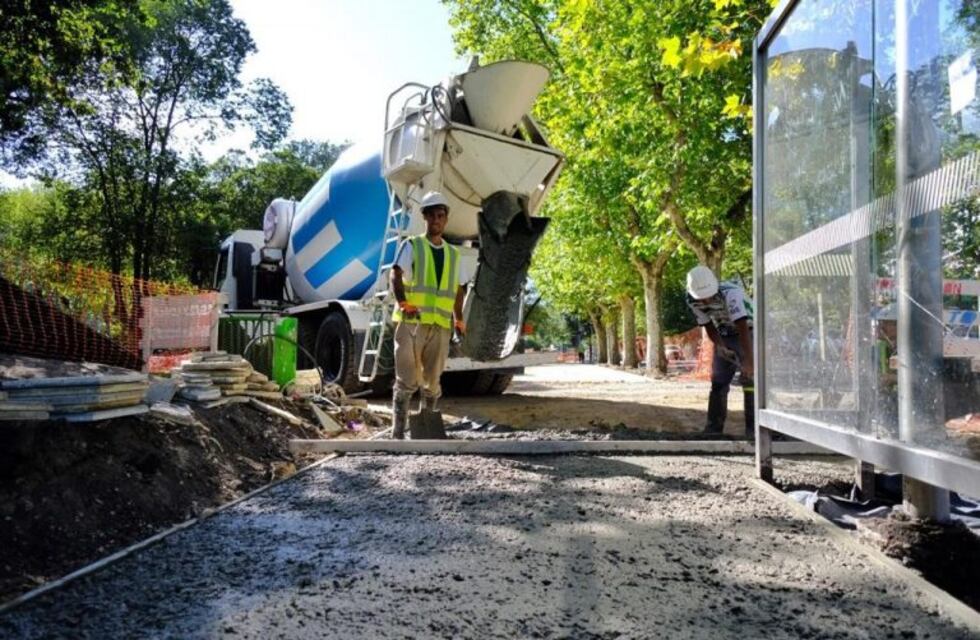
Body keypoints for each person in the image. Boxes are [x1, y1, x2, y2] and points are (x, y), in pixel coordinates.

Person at [389, 191, 470, 439]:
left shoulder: (454, 254)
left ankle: (426, 427)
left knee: (433, 380)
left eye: (441, 215)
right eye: (432, 215)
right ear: (424, 217)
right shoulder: (412, 245)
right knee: (406, 379)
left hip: (440, 325)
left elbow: (458, 289)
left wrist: (458, 319)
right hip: (412, 323)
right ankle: (397, 433)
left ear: (445, 219)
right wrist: (403, 303)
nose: (436, 219)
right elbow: (396, 274)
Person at [685, 265, 755, 438]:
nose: (705, 302)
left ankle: (754, 430)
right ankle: (713, 429)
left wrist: (749, 361)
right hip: (724, 333)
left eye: (708, 297)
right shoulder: (691, 299)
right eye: (701, 298)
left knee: (750, 380)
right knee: (718, 381)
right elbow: (708, 326)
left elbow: (742, 326)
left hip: (750, 332)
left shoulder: (731, 293)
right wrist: (721, 346)